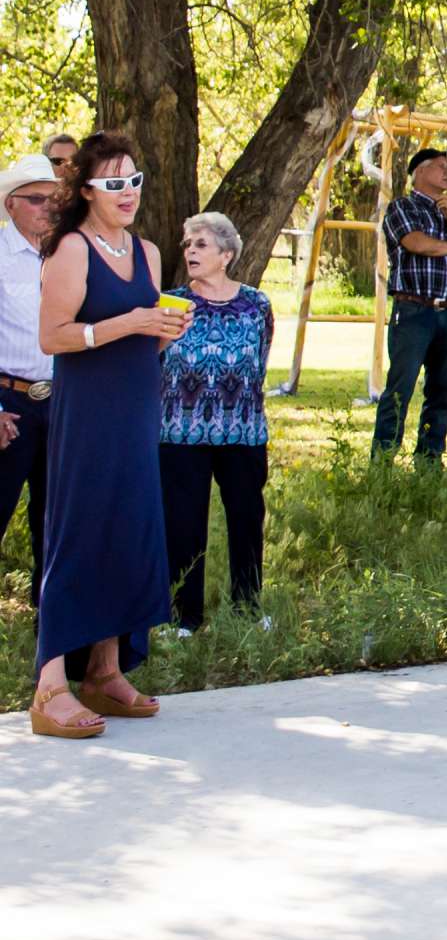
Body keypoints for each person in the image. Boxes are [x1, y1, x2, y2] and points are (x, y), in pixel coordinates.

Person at [29, 131, 189, 738]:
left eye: (135, 181)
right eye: (113, 184)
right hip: (89, 415)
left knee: (128, 529)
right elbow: (54, 337)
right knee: (79, 534)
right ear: (87, 191)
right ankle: (49, 687)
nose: (128, 194)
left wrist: (160, 331)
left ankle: (105, 669)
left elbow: (142, 331)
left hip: (136, 410)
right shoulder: (71, 248)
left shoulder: (146, 251)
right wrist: (125, 324)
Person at [158, 212, 273, 634]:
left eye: (201, 244)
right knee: (183, 524)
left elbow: (259, 362)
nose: (190, 250)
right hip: (180, 432)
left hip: (242, 431)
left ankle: (248, 606)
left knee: (246, 518)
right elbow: (153, 361)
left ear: (226, 255)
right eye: (188, 244)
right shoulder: (169, 303)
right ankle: (183, 616)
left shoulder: (257, 304)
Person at [372, 146, 447, 461]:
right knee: (399, 391)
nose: (445, 171)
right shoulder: (402, 207)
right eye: (439, 165)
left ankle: (429, 461)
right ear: (419, 172)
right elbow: (418, 244)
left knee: (440, 393)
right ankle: (383, 462)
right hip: (413, 312)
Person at [0, 153, 60, 600]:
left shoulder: (71, 255)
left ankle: (51, 625)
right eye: (37, 199)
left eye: (54, 198)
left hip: (64, 404)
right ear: (10, 205)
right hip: (11, 405)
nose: (48, 207)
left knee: (55, 519)